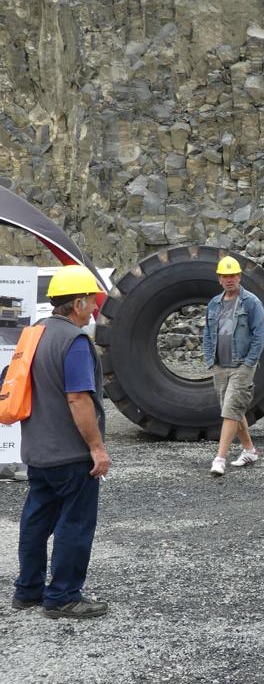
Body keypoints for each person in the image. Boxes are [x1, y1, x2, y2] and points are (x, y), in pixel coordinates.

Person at [12, 264, 110, 619]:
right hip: (69, 454)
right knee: (75, 523)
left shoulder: (34, 333)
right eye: (92, 301)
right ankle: (64, 596)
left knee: (36, 520)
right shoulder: (75, 341)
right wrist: (96, 448)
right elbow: (78, 398)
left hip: (37, 450)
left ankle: (28, 591)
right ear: (78, 303)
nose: (94, 308)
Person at [202, 255, 264, 476]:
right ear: (219, 279)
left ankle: (219, 459)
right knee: (234, 409)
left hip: (242, 365)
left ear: (239, 277)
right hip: (220, 366)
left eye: (233, 275)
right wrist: (210, 360)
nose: (229, 279)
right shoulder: (214, 303)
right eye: (225, 276)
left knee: (230, 409)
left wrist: (249, 363)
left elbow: (261, 334)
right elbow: (208, 333)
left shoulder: (251, 302)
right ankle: (249, 450)